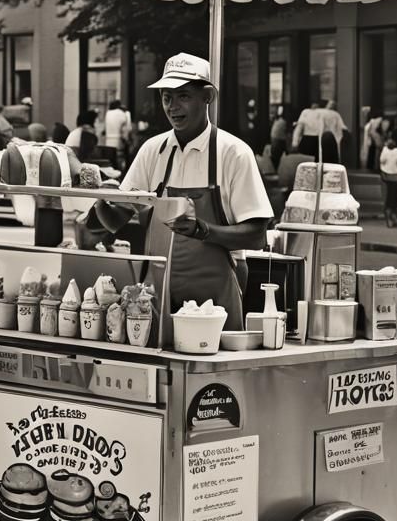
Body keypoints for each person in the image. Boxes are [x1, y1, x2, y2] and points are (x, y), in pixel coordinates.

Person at [96, 52, 273, 329]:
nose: (173, 107)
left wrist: (203, 230)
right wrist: (100, 198)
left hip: (216, 303)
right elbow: (117, 220)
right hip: (157, 295)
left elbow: (257, 235)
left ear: (207, 97)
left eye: (183, 96)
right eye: (167, 97)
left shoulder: (233, 153)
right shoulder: (152, 150)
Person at [379, 136, 397, 228]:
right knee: (395, 196)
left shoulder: (385, 150)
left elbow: (382, 160)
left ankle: (389, 216)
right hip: (396, 175)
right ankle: (393, 215)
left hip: (387, 176)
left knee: (389, 196)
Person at [102, 99, 132, 168]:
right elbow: (127, 129)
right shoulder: (122, 113)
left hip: (108, 141)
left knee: (110, 161)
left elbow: (105, 129)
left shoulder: (108, 113)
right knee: (119, 159)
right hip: (118, 140)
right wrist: (126, 139)